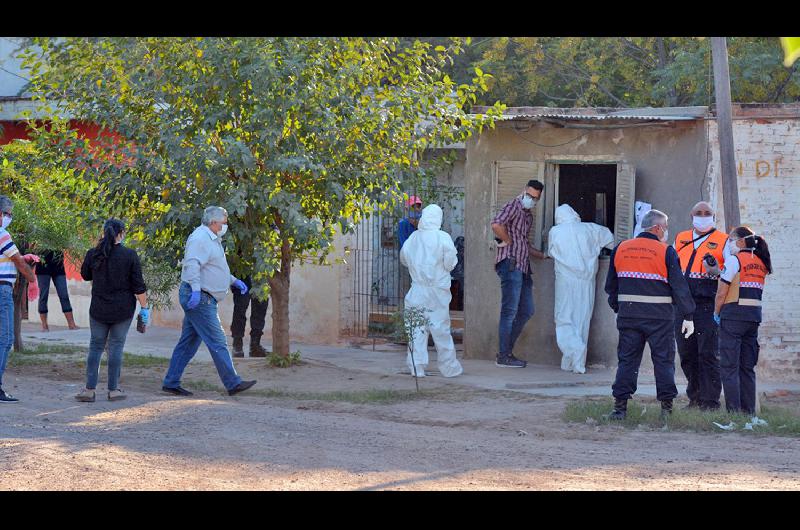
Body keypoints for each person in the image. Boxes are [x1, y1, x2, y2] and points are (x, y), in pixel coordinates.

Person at [605, 209, 696, 420]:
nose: (665, 231)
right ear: (656, 228)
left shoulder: (620, 248)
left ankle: (620, 409)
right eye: (665, 227)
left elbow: (611, 286)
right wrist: (689, 315)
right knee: (663, 361)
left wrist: (620, 308)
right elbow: (679, 286)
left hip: (629, 316)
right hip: (660, 318)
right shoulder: (666, 251)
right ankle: (666, 410)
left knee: (627, 361)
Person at [162, 206, 256, 397]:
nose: (225, 225)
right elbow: (192, 265)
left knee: (188, 343)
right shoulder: (200, 238)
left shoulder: (213, 239)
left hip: (204, 297)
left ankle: (171, 382)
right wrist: (195, 290)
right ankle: (233, 383)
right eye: (224, 222)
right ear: (213, 222)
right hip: (200, 298)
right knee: (218, 341)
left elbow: (215, 267)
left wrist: (234, 281)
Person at [75, 219, 149, 402]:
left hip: (99, 308)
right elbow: (138, 286)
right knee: (116, 347)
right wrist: (145, 308)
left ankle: (89, 390)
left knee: (95, 347)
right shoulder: (130, 255)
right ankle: (114, 390)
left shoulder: (93, 254)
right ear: (121, 233)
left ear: (104, 232)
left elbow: (85, 276)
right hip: (123, 310)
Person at [672, 201, 728, 410]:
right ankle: (694, 398)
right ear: (691, 215)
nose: (703, 216)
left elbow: (729, 274)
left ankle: (710, 402)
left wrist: (714, 270)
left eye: (707, 213)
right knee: (687, 353)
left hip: (707, 304)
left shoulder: (723, 240)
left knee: (708, 354)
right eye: (699, 213)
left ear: (714, 217)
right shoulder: (681, 238)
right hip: (683, 305)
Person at [547, 204, 614, 374]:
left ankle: (574, 352)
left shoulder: (555, 232)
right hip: (587, 282)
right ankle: (575, 363)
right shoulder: (590, 229)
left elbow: (551, 252)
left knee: (564, 318)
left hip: (565, 282)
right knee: (582, 320)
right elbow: (612, 240)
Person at [399, 204, 462, 378]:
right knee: (440, 328)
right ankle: (449, 368)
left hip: (417, 288)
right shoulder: (443, 238)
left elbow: (404, 259)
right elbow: (451, 263)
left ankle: (416, 367)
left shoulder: (413, 238)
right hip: (437, 290)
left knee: (416, 328)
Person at [714, 226, 772, 415]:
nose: (729, 244)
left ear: (740, 241)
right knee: (747, 368)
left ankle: (734, 412)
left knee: (729, 366)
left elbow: (722, 292)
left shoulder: (734, 260)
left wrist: (717, 312)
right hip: (753, 318)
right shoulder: (761, 262)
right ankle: (749, 413)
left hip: (733, 317)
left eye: (731, 240)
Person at [490, 179, 548, 368]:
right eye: (530, 195)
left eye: (535, 198)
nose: (531, 199)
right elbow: (496, 225)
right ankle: (504, 356)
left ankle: (506, 353)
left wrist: (544, 256)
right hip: (511, 264)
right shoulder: (513, 206)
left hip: (523, 267)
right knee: (509, 312)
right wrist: (507, 241)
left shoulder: (528, 216)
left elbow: (524, 243)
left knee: (527, 310)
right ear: (524, 191)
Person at [0, 195, 38, 403]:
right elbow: (18, 262)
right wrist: (33, 281)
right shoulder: (2, 234)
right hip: (2, 290)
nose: (9, 218)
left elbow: (12, 258)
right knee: (5, 340)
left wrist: (24, 258)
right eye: (7, 214)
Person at [36, 250, 79, 331]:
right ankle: (44, 326)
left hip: (58, 265)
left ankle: (71, 324)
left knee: (64, 295)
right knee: (43, 296)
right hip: (43, 265)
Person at [230, 276, 269, 358]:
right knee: (240, 307)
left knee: (260, 308)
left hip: (261, 272)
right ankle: (237, 344)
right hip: (242, 270)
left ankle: (255, 346)